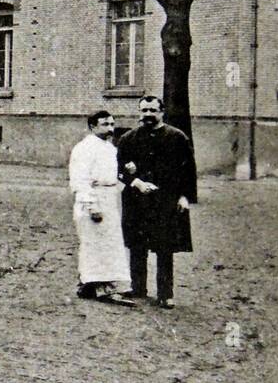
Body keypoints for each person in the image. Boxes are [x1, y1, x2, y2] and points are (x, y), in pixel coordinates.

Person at [116, 96, 196, 309]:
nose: (148, 115)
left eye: (153, 110)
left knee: (164, 246)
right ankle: (138, 287)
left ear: (162, 112)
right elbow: (119, 170)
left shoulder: (177, 137)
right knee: (137, 245)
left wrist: (184, 196)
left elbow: (188, 171)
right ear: (139, 112)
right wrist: (136, 182)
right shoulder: (127, 139)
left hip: (166, 200)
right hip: (136, 200)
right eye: (144, 111)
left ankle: (165, 293)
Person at [68, 110, 134, 306]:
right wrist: (91, 205)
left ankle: (88, 285)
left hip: (108, 198)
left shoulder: (110, 148)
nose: (110, 128)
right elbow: (80, 180)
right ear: (92, 127)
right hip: (93, 199)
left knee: (109, 243)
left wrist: (126, 170)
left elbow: (114, 174)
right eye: (105, 124)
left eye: (112, 124)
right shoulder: (83, 148)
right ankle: (102, 288)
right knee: (95, 243)